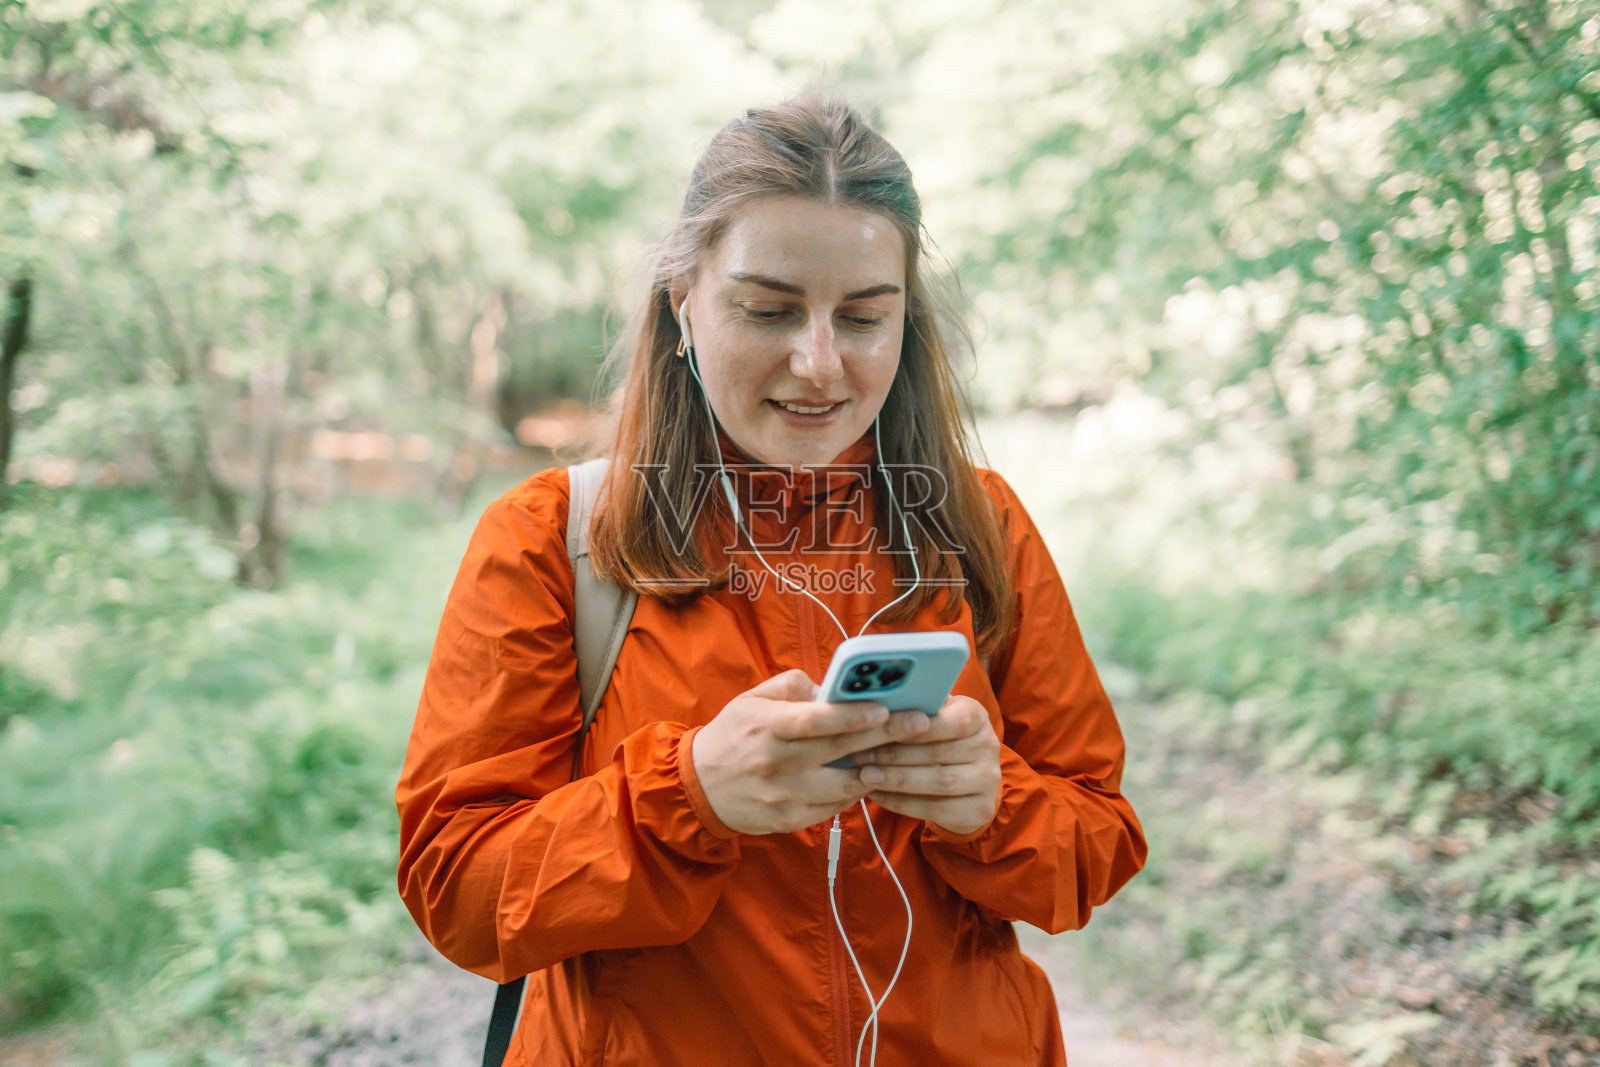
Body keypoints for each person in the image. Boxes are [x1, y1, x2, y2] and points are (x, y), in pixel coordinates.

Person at [396, 96, 1146, 1067]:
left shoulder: (979, 524)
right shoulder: (553, 538)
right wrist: (686, 796)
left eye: (865, 316)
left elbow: (1097, 843)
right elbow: (455, 885)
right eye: (768, 309)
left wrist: (991, 806)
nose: (820, 362)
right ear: (684, 301)